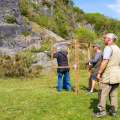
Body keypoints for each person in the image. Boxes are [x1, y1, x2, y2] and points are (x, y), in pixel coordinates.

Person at [95, 33, 120, 117]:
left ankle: (102, 111)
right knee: (114, 93)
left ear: (109, 39)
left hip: (108, 74)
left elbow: (105, 61)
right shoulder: (118, 48)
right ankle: (113, 111)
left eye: (105, 38)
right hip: (117, 73)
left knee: (102, 92)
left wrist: (99, 73)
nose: (103, 39)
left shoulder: (108, 48)